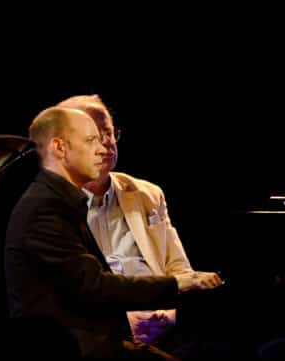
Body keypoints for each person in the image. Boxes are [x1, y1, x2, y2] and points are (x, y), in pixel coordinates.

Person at [3, 105, 221, 359]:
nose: (102, 147)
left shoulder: (59, 199)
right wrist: (177, 283)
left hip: (103, 338)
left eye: (107, 135)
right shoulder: (46, 207)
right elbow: (94, 286)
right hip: (70, 354)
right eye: (91, 139)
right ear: (59, 148)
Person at [57, 94, 216, 345]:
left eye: (109, 133)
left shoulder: (147, 194)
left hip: (161, 324)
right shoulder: (51, 205)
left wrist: (191, 286)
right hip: (97, 334)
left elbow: (178, 268)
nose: (106, 143)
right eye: (93, 136)